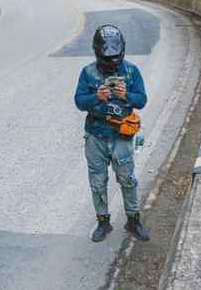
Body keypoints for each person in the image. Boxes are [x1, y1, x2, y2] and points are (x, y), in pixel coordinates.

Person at [74, 24, 151, 243]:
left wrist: (126, 96)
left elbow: (141, 100)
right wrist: (96, 97)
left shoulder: (131, 71)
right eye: (106, 58)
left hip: (121, 136)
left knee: (127, 179)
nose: (111, 62)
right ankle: (103, 222)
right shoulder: (88, 73)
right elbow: (79, 101)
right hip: (96, 135)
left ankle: (133, 220)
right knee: (97, 181)